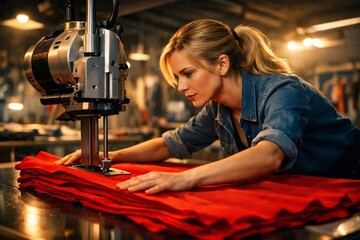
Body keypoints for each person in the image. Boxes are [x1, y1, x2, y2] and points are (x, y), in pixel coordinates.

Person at [55, 19, 360, 194]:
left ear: (222, 64)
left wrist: (184, 178)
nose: (182, 86)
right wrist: (106, 154)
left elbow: (269, 155)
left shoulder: (282, 89)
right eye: (178, 77)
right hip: (311, 189)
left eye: (188, 73)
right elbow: (172, 144)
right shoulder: (218, 108)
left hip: (350, 182)